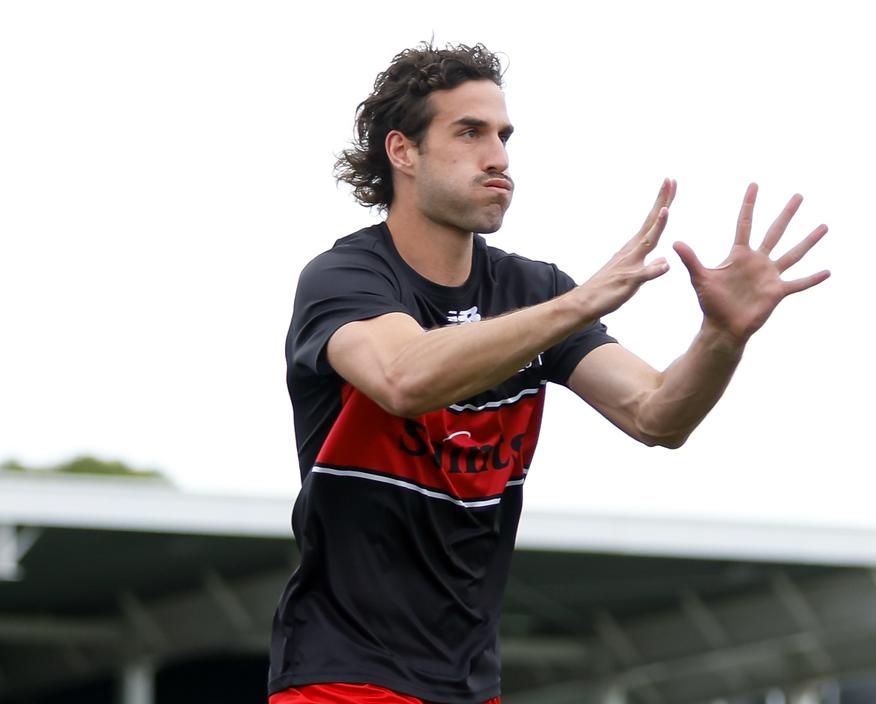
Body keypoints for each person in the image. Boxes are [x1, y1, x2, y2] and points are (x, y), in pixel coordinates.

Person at [268, 41, 829, 704]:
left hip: (471, 685)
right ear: (403, 152)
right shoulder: (346, 279)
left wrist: (722, 337)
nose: (499, 156)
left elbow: (657, 414)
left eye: (504, 135)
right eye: (469, 132)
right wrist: (578, 303)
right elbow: (404, 377)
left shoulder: (533, 291)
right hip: (344, 676)